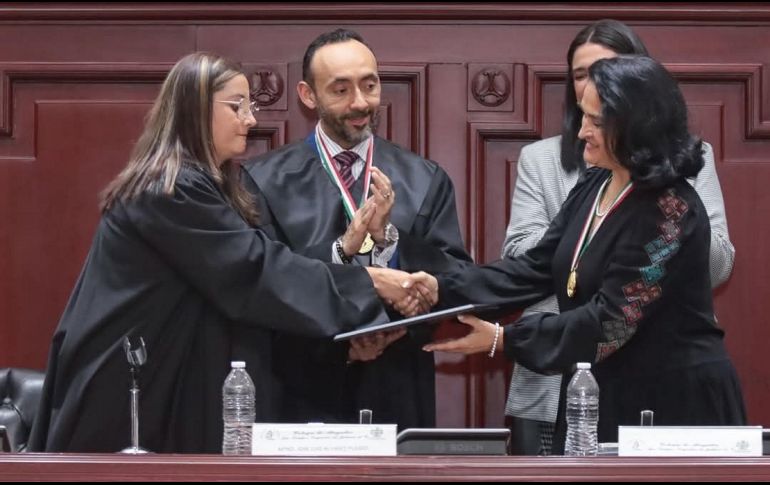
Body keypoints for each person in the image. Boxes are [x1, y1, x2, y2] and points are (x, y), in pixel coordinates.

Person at [28, 52, 397, 453]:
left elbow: (260, 274)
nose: (251, 120)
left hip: (174, 385)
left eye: (249, 106)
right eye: (236, 106)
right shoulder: (168, 189)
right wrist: (371, 284)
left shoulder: (209, 188)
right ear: (194, 109)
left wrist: (349, 324)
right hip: (130, 401)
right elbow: (254, 272)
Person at [420, 55, 747, 454]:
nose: (582, 133)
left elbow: (609, 323)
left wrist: (504, 339)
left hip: (674, 411)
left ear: (634, 126)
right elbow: (536, 267)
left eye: (595, 121)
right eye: (583, 117)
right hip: (605, 394)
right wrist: (436, 289)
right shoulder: (597, 182)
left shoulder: (670, 210)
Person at [500, 19, 735, 455]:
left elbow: (717, 262)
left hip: (664, 387)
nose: (591, 85)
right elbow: (526, 259)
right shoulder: (570, 168)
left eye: (604, 73)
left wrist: (639, 253)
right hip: (573, 377)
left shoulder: (679, 181)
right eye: (579, 76)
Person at [241, 29, 471, 429]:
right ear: (308, 95)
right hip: (302, 389)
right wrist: (339, 257)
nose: (361, 103)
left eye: (370, 85)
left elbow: (457, 278)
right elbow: (260, 287)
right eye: (341, 90)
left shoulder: (424, 178)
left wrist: (389, 243)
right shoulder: (263, 181)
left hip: (398, 381)